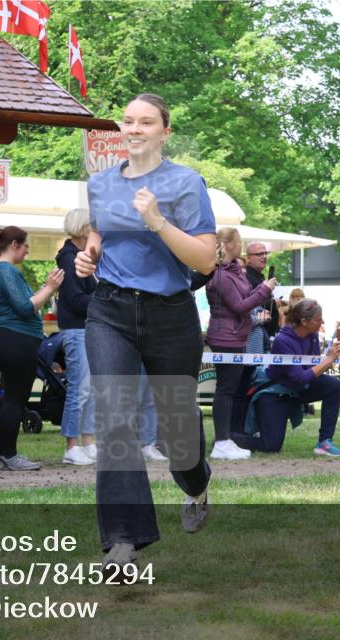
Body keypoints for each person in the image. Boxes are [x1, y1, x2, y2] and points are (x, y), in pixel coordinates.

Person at [75, 93, 217, 570]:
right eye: (128, 122)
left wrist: (157, 222)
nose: (134, 129)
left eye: (146, 122)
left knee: (178, 435)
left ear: (164, 132)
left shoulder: (185, 183)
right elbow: (100, 234)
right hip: (110, 310)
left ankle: (196, 486)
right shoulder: (100, 184)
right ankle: (122, 542)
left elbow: (205, 259)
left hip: (170, 314)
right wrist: (88, 255)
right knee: (115, 417)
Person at [0, 226, 63, 471]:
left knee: (13, 398)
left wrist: (46, 288)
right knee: (15, 399)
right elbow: (25, 308)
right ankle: (8, 454)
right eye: (26, 244)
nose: (28, 250)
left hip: (13, 340)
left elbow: (27, 303)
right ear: (15, 244)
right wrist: (49, 288)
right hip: (14, 341)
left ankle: (1, 453)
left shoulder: (5, 271)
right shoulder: (5, 270)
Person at [231, 299, 340, 456]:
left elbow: (309, 368)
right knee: (270, 446)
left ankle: (324, 442)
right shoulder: (282, 340)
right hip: (274, 393)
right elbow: (298, 378)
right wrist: (328, 360)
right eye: (318, 319)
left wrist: (328, 359)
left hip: (297, 389)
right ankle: (228, 438)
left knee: (333, 385)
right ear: (304, 321)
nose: (322, 322)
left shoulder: (312, 335)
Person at [206, 227, 275, 460]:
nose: (241, 245)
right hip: (225, 337)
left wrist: (260, 290)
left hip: (237, 336)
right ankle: (222, 442)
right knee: (226, 390)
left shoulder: (234, 271)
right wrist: (265, 290)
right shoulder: (220, 275)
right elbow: (239, 306)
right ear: (227, 246)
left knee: (231, 389)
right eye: (238, 241)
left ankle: (227, 439)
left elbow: (244, 298)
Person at [55, 208, 98, 466]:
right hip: (76, 329)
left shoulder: (80, 257)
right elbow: (75, 300)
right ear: (84, 230)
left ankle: (88, 441)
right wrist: (105, 297)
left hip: (86, 329)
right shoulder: (70, 260)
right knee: (79, 389)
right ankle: (71, 446)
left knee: (90, 389)